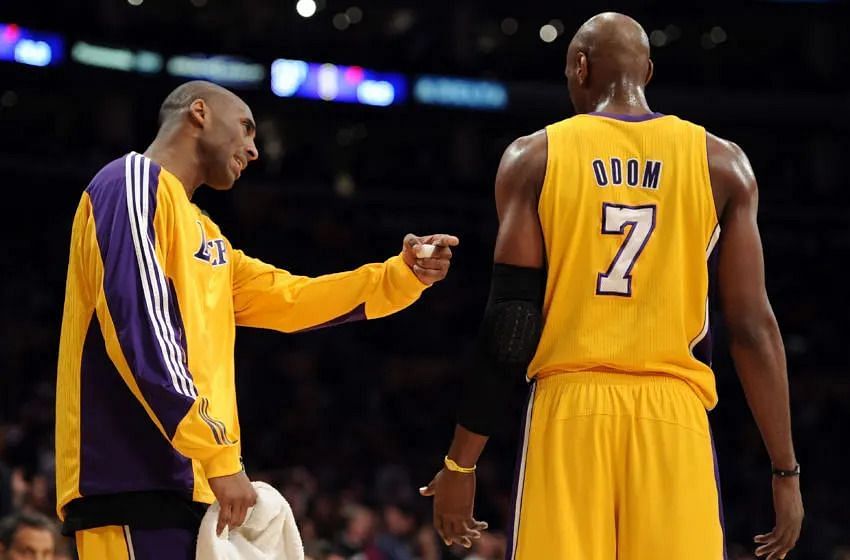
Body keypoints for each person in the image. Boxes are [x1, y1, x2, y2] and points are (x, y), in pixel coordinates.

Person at [420, 12, 803, 560]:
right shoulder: (724, 163)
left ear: (579, 67)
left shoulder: (535, 156)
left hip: (570, 408)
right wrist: (784, 469)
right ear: (646, 71)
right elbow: (752, 327)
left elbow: (512, 320)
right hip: (674, 415)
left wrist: (461, 462)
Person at [55, 80, 459, 559]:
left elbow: (291, 299)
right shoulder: (131, 182)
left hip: (194, 490)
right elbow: (139, 326)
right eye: (246, 129)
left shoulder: (206, 233)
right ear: (199, 113)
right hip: (132, 484)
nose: (253, 149)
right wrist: (219, 454)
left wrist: (400, 276)